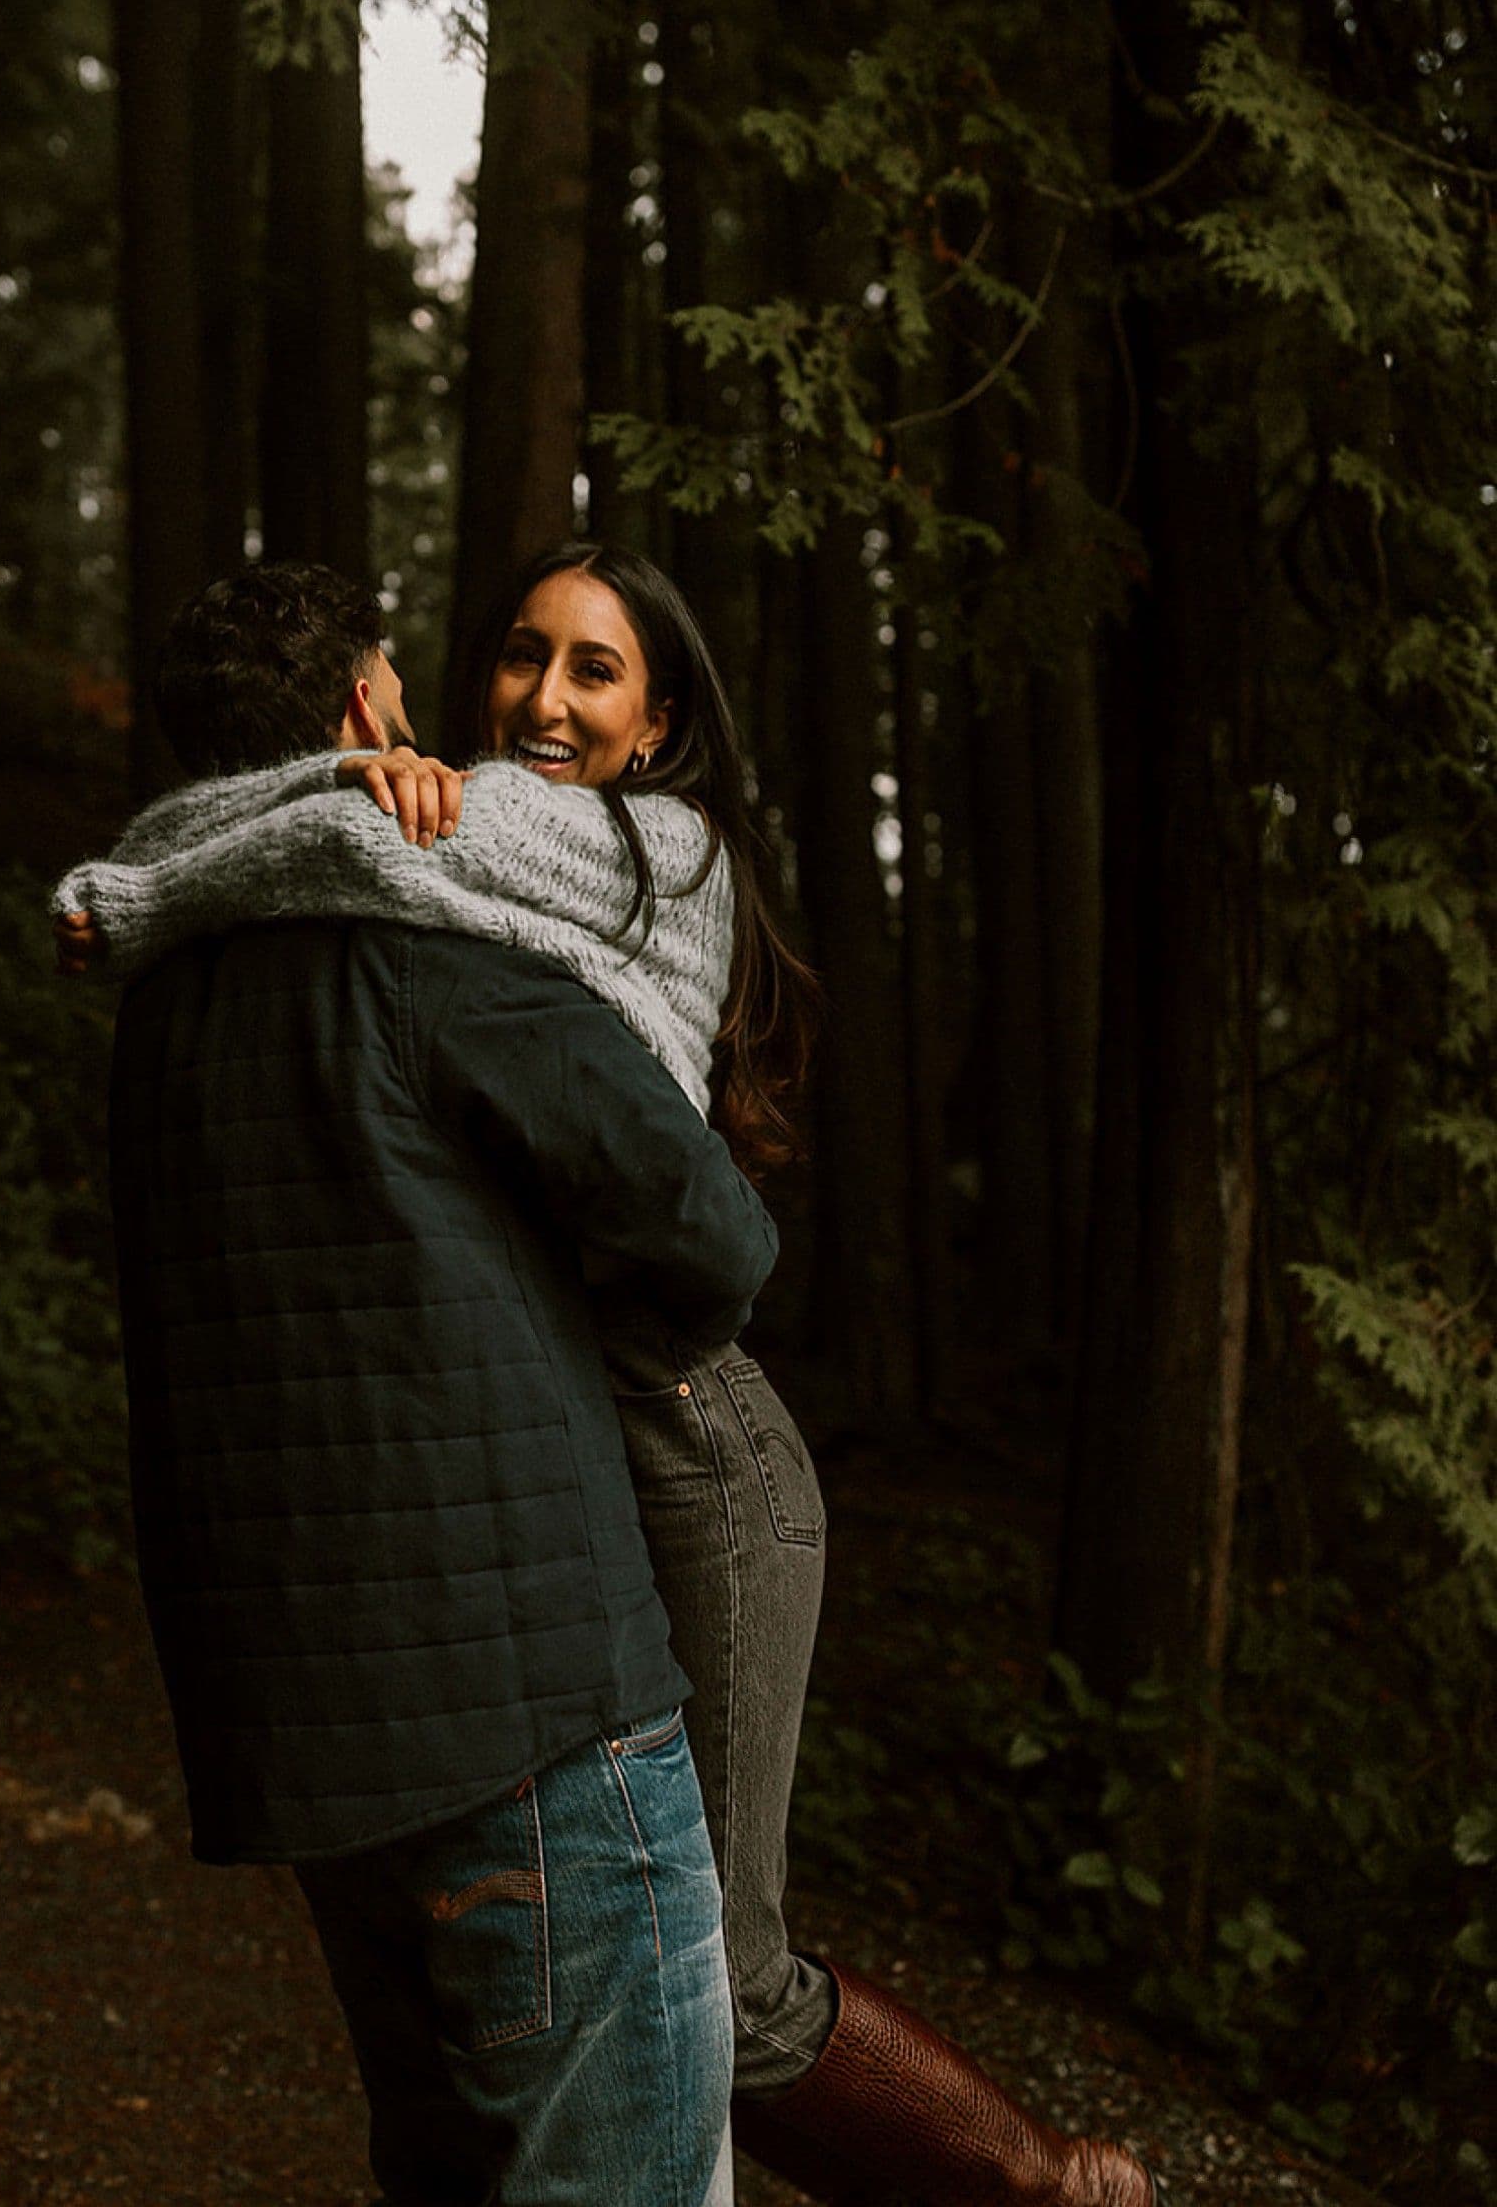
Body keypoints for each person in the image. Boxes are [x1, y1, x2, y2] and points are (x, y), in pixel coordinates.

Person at [58, 544, 1164, 2207]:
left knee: (690, 1997)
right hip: (535, 1602)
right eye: (511, 658)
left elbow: (689, 1240)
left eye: (595, 670)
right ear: (374, 699)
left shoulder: (277, 947)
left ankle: (1041, 2184)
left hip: (597, 1493)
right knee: (677, 2013)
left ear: (658, 723)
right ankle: (1038, 2185)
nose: (531, 701)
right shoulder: (415, 904)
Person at [79, 560, 763, 2207]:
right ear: (375, 706)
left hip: (313, 1740)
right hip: (533, 1716)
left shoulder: (156, 983)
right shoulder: (421, 937)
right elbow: (715, 1234)